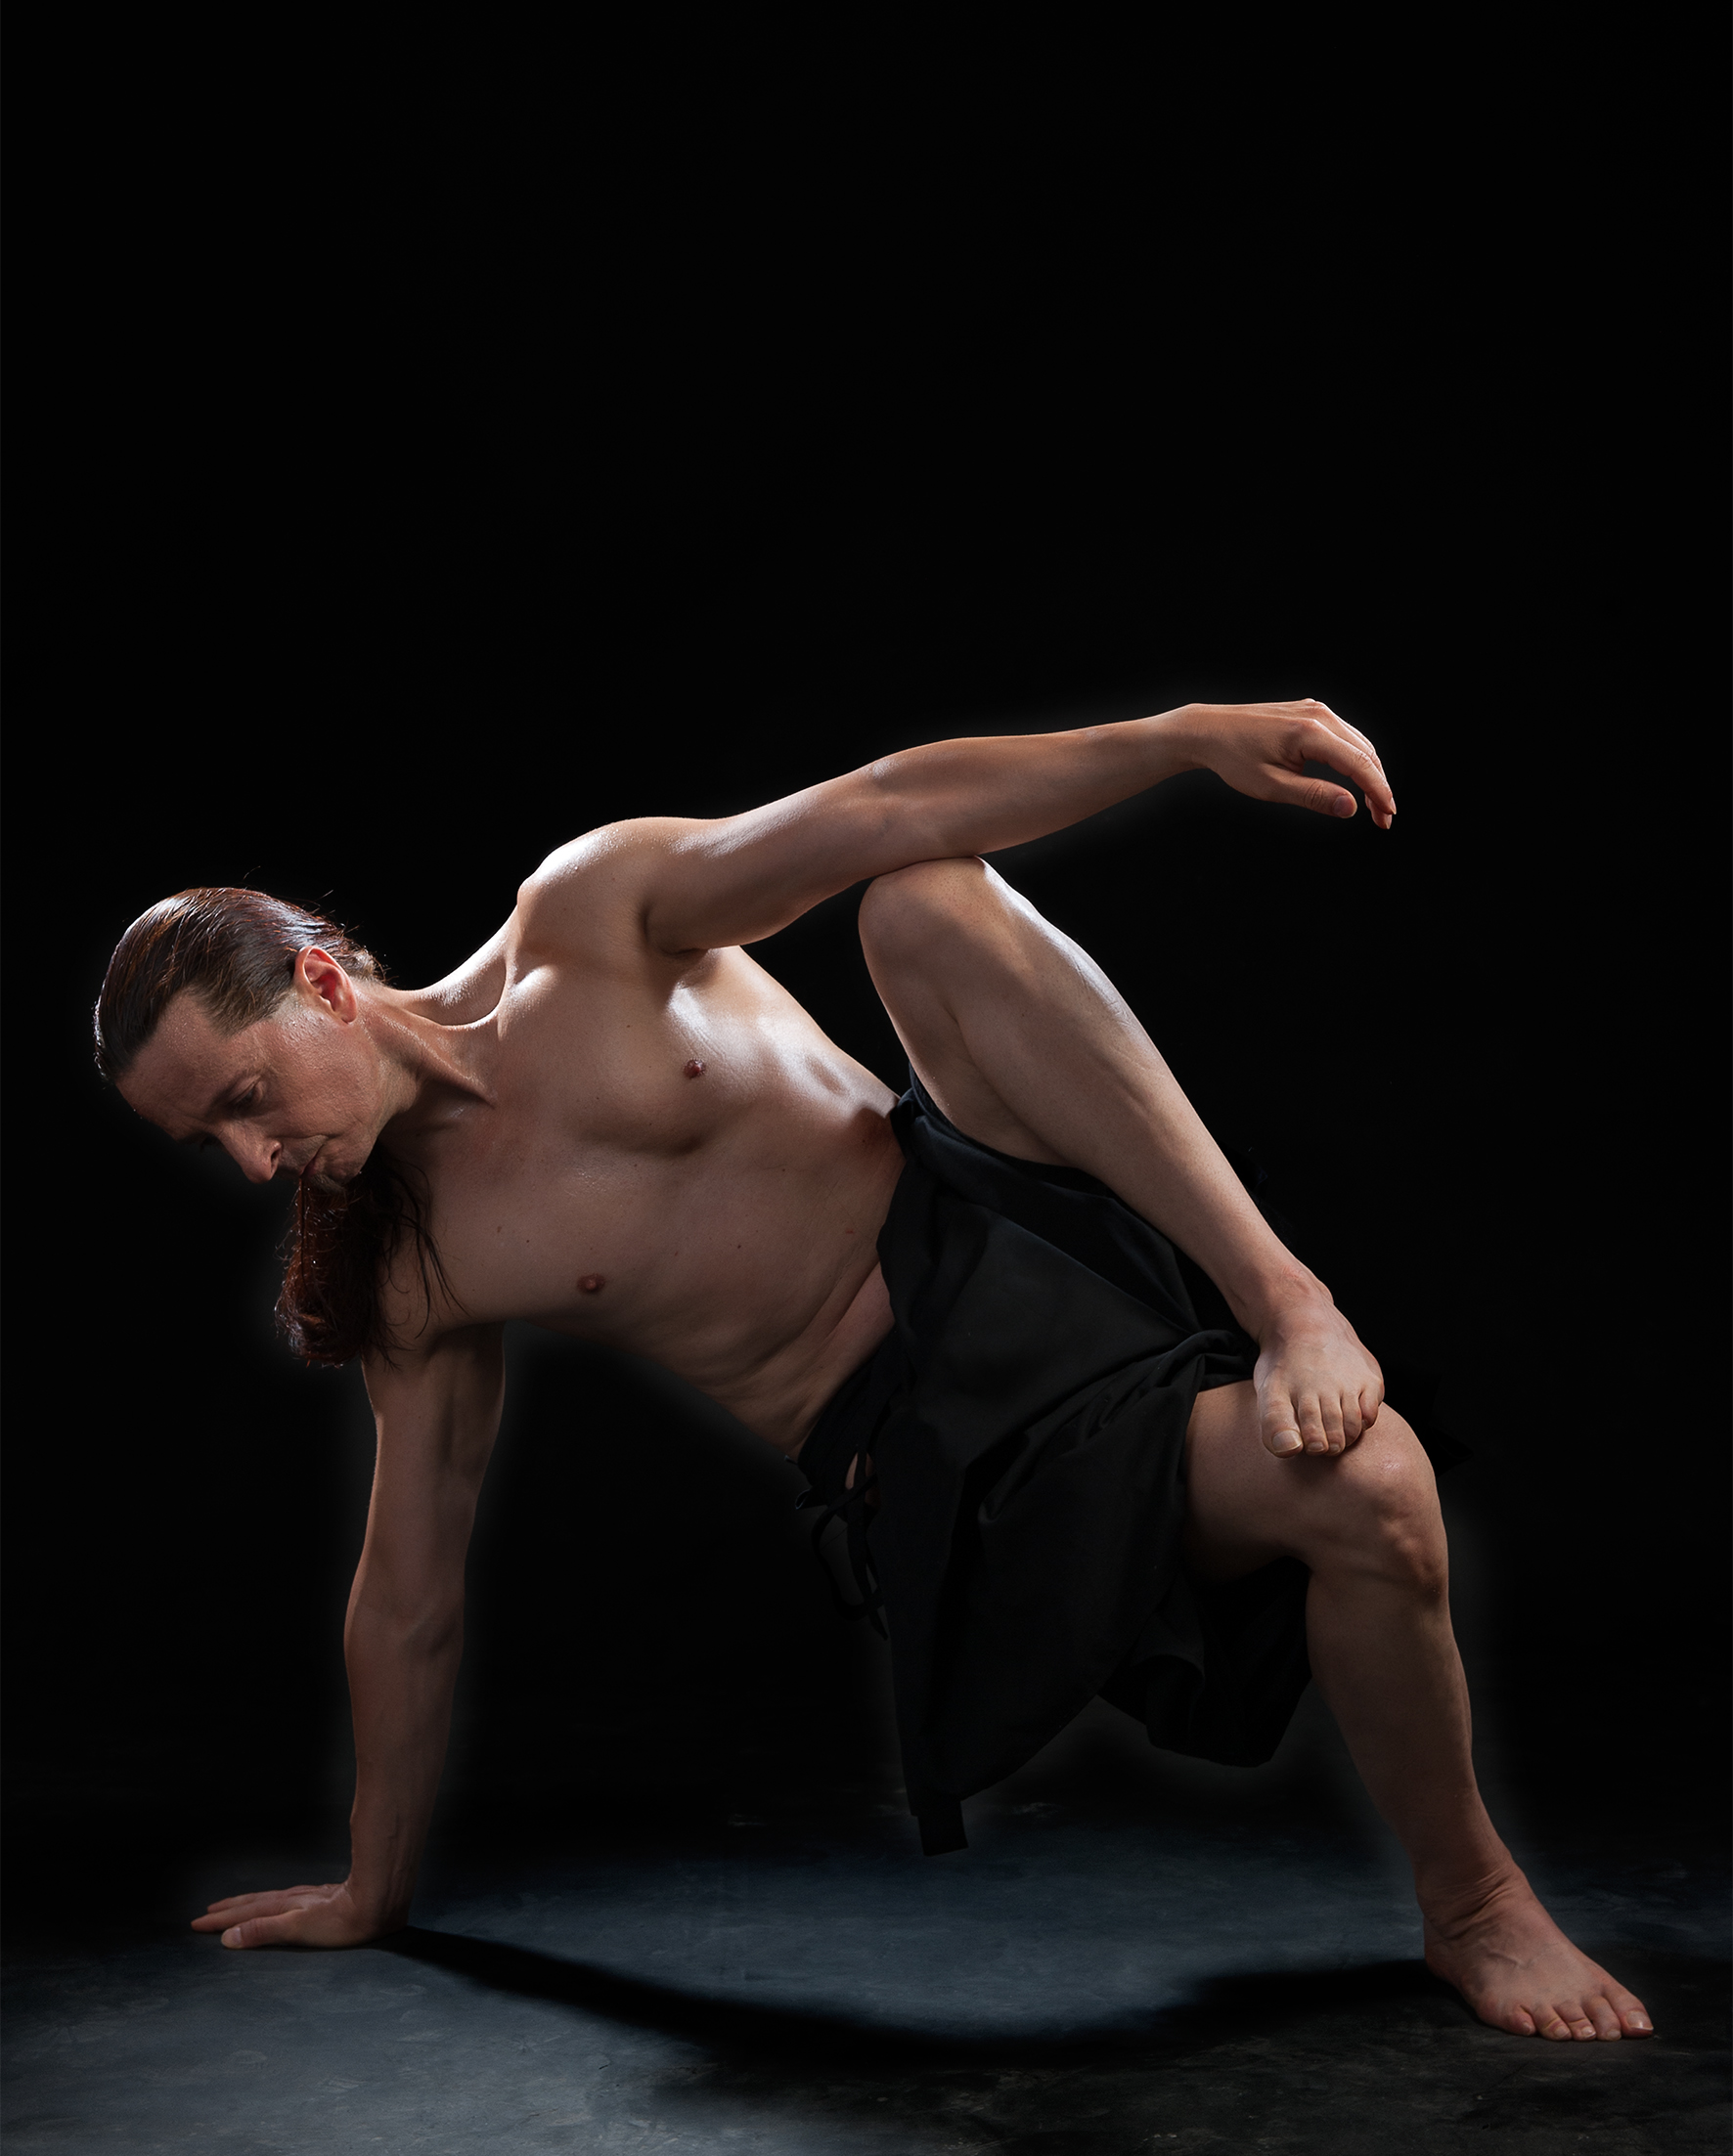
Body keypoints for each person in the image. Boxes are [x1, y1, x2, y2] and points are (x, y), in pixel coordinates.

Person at [97, 698, 1650, 2043]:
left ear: (322, 987)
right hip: (938, 1457)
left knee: (923, 893)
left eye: (245, 1098)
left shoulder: (591, 916)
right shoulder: (416, 1267)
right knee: (1375, 1489)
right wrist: (372, 1884)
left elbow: (889, 801)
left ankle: (1291, 1297)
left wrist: (1184, 740)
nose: (251, 1163)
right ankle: (1476, 1902)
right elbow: (408, 1588)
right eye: (208, 1140)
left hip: (1023, 1246)